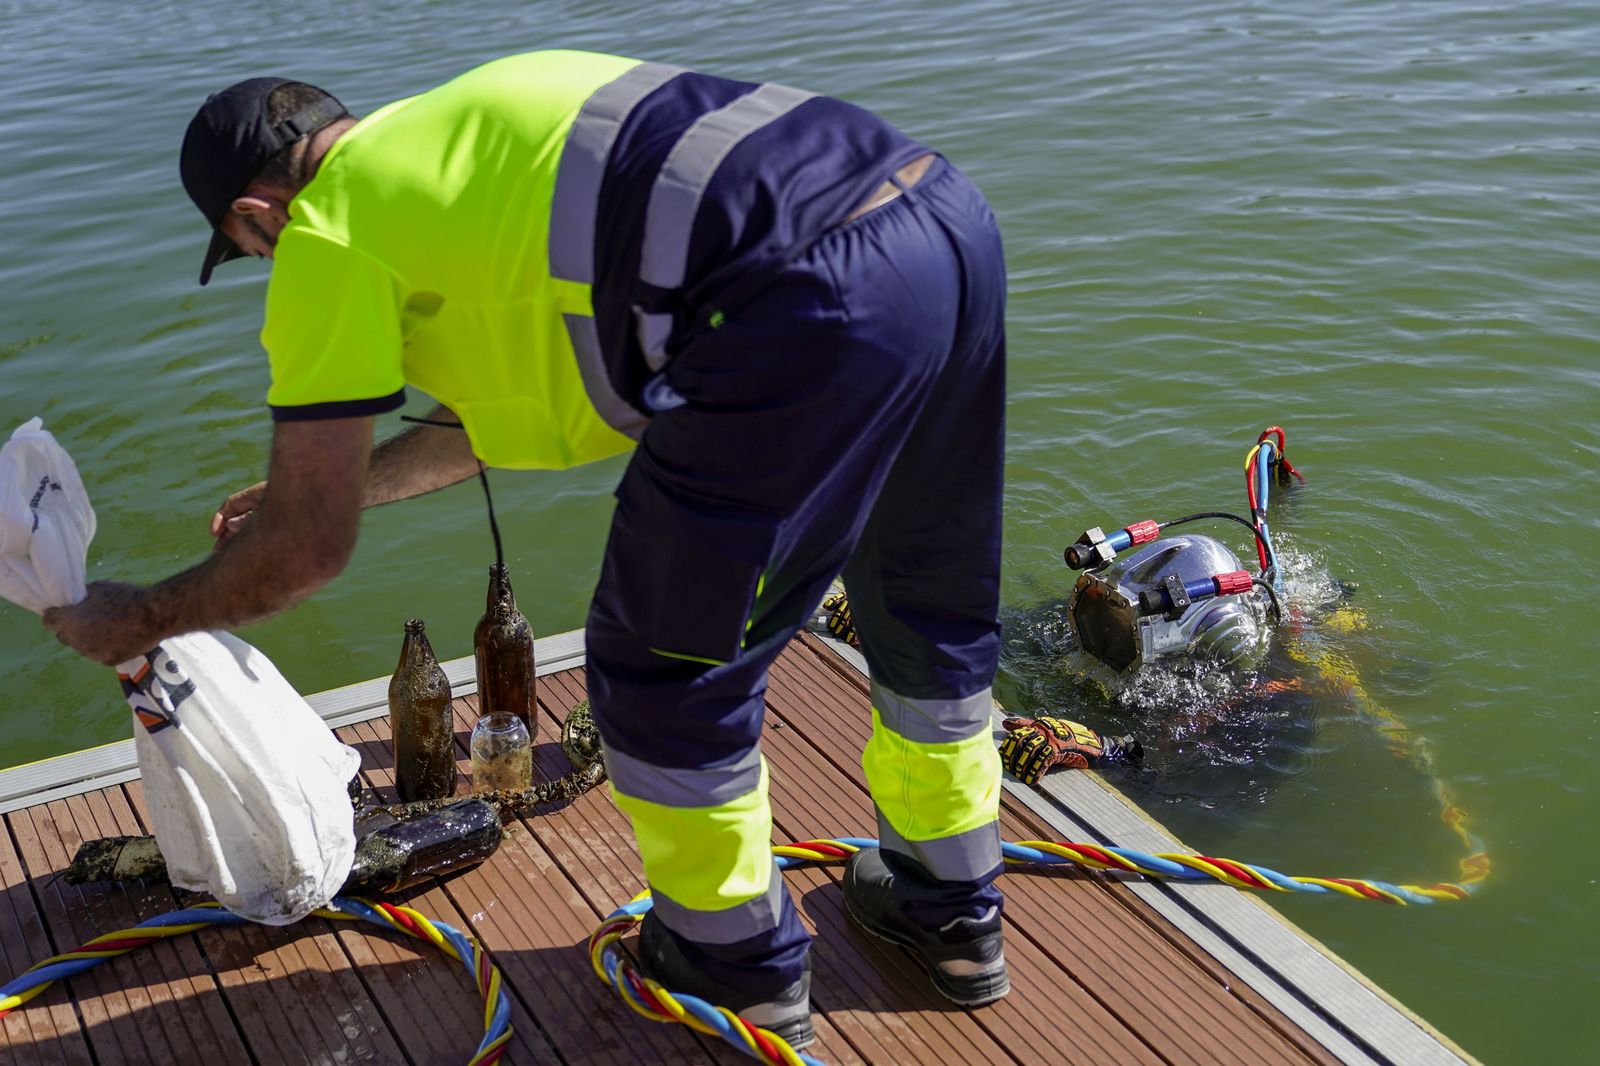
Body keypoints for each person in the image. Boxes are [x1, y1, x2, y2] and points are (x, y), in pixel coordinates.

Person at [42, 51, 1010, 1046]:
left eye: (252, 255)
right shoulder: (463, 129)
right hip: (939, 220)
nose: (267, 268)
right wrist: (331, 487)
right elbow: (480, 422)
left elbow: (306, 554)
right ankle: (953, 912)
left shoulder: (327, 230)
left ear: (255, 216)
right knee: (921, 602)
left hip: (790, 300)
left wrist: (143, 613)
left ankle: (734, 966)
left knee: (662, 672)